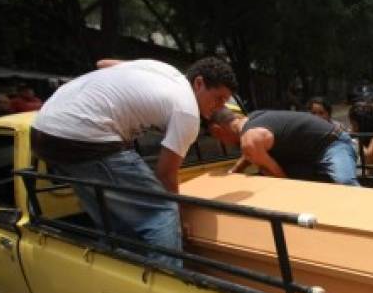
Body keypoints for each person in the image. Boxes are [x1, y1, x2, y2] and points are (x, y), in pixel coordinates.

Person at [31, 57, 236, 267]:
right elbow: (165, 174)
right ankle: (167, 282)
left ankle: (120, 270)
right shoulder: (187, 112)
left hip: (44, 129)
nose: (219, 107)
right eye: (218, 98)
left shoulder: (163, 70)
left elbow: (103, 63)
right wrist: (180, 220)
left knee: (112, 216)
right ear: (199, 83)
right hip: (84, 137)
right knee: (162, 210)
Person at [207, 108, 359, 186]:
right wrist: (234, 171)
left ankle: (370, 217)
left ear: (217, 130)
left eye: (219, 138)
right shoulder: (253, 119)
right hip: (311, 153)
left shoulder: (249, 140)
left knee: (345, 183)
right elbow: (250, 154)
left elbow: (278, 176)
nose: (223, 143)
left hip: (333, 144)